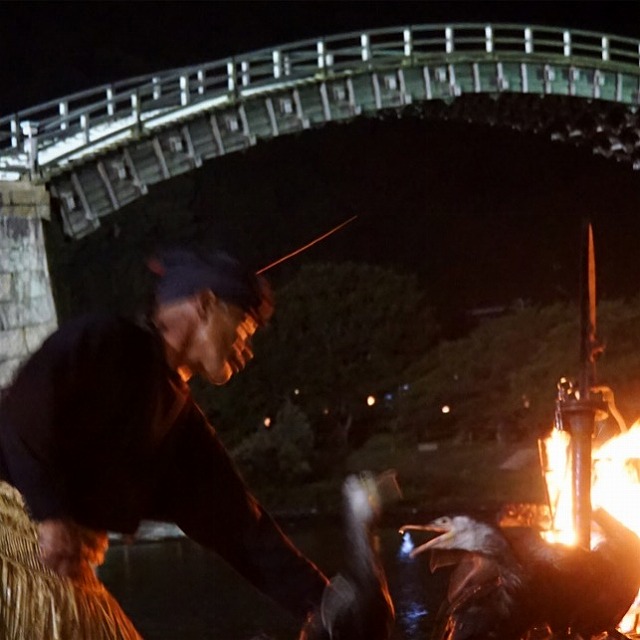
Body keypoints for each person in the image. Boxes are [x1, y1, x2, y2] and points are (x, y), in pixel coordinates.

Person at [0, 247, 329, 639]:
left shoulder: (182, 429)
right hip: (14, 538)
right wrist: (51, 514)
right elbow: (20, 414)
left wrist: (324, 600)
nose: (246, 348)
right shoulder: (107, 339)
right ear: (205, 304)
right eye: (243, 324)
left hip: (62, 564)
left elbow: (240, 527)